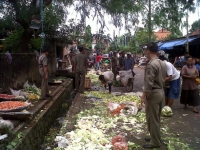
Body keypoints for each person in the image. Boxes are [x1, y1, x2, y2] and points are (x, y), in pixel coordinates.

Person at [141, 43, 167, 149]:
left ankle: (155, 142)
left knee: (152, 118)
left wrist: (143, 96)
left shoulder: (151, 64)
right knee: (156, 117)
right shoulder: (162, 63)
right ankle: (154, 136)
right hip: (161, 91)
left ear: (148, 51)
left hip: (154, 93)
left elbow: (148, 83)